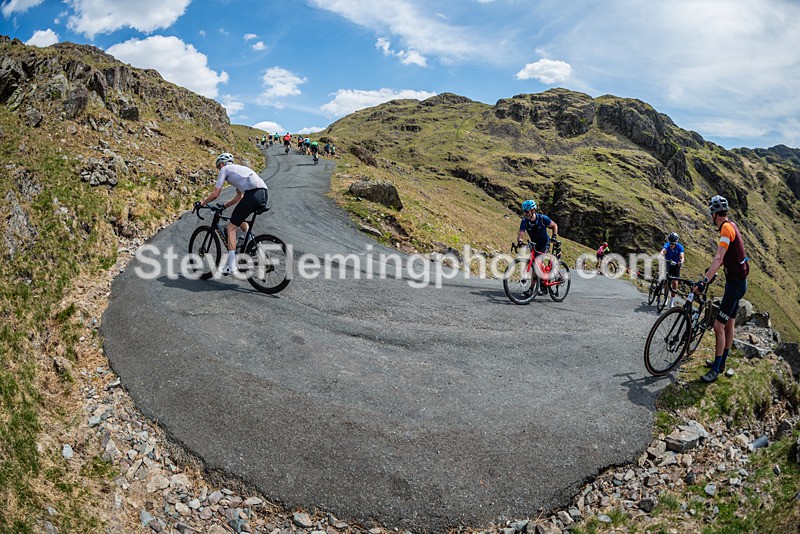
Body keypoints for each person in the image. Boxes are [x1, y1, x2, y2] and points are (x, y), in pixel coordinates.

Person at [695, 195, 749, 383]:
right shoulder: (732, 225)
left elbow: (719, 258)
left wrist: (704, 280)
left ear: (714, 214)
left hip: (734, 285)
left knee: (719, 326)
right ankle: (722, 363)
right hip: (739, 283)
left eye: (711, 212)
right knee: (729, 323)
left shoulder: (725, 230)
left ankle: (716, 369)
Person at [195, 153, 269, 275]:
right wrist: (224, 206)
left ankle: (231, 266)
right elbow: (239, 196)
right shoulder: (238, 171)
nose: (219, 170)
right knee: (240, 221)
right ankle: (256, 245)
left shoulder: (225, 169)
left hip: (253, 193)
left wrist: (202, 203)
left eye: (218, 167)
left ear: (222, 163)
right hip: (263, 193)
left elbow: (215, 194)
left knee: (231, 227)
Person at [516, 199, 558, 295]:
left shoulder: (543, 219)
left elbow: (554, 225)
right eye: (524, 211)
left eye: (527, 211)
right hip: (534, 244)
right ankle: (542, 282)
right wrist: (520, 241)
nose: (525, 213)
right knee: (535, 263)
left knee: (537, 261)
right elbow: (521, 232)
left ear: (533, 210)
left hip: (544, 243)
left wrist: (554, 236)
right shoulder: (525, 221)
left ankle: (532, 288)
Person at [660, 232, 685, 308]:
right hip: (667, 264)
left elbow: (682, 256)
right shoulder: (667, 245)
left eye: (673, 243)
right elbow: (663, 251)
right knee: (667, 281)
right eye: (671, 243)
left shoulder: (680, 247)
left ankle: (672, 301)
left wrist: (681, 262)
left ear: (676, 242)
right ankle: (665, 298)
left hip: (675, 266)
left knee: (675, 283)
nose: (671, 244)